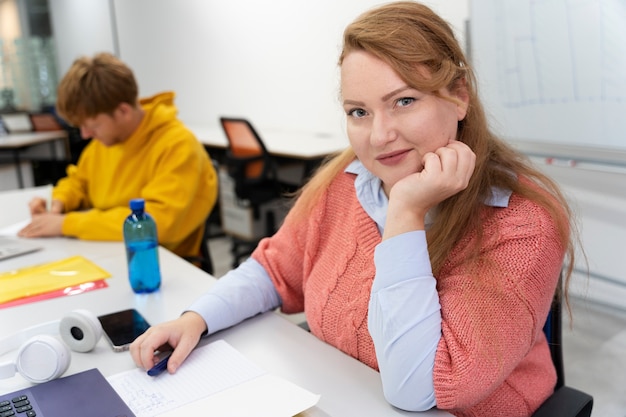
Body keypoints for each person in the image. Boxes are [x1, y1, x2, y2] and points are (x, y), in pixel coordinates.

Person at [131, 2, 577, 415]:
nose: (379, 135)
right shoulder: (349, 179)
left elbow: (419, 388)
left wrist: (404, 213)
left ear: (459, 95)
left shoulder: (522, 222)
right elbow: (273, 269)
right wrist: (197, 317)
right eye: (359, 112)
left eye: (404, 101)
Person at [18, 52, 217, 259]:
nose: (86, 134)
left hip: (162, 264)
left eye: (92, 125)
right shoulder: (104, 142)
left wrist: (66, 224)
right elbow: (79, 181)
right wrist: (59, 203)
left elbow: (154, 222)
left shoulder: (178, 146)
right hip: (108, 252)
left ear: (123, 111)